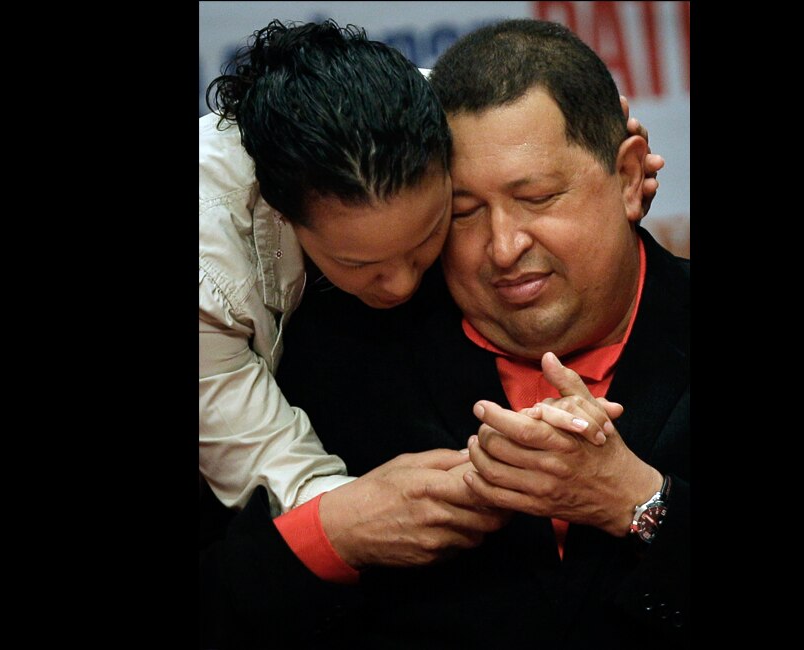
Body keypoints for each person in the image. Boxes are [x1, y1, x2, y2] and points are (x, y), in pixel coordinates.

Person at [200, 18, 689, 649]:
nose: (504, 247)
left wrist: (644, 503)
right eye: (463, 212)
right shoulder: (322, 356)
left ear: (628, 176)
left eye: (539, 197)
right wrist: (334, 537)